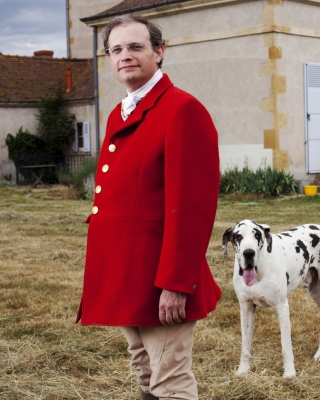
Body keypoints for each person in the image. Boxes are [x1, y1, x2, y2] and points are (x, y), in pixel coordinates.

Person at [75, 14, 221, 400]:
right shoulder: (120, 111)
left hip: (160, 277)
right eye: (116, 49)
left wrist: (176, 283)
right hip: (127, 272)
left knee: (169, 381)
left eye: (136, 47)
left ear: (158, 52)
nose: (126, 56)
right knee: (144, 371)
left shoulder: (181, 109)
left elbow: (191, 207)